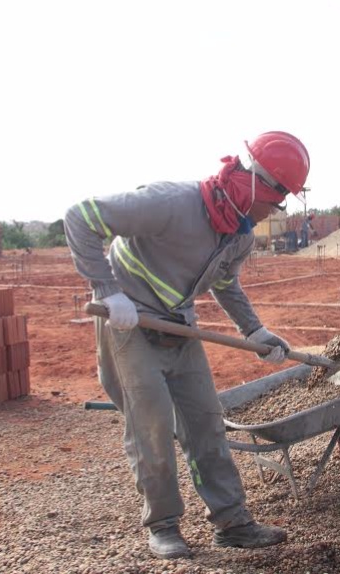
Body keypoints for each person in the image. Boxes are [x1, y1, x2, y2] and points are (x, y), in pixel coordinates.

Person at [63, 131, 310, 559]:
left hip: (179, 325)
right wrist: (108, 291)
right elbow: (81, 216)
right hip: (130, 322)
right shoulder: (171, 203)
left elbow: (225, 282)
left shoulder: (240, 234)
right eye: (278, 198)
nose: (278, 209)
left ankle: (232, 523)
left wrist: (255, 331)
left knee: (206, 423)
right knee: (152, 426)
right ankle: (162, 525)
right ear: (255, 185)